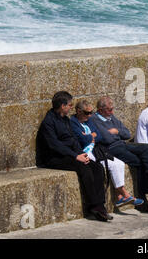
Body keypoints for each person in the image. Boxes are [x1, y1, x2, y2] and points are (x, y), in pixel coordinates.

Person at [36, 91, 111, 222]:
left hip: (71, 154)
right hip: (55, 158)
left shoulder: (66, 120)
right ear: (62, 106)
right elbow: (54, 145)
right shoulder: (48, 122)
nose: (71, 107)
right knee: (84, 168)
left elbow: (73, 140)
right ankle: (94, 205)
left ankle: (100, 205)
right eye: (69, 105)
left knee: (97, 167)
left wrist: (80, 153)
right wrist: (75, 156)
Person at [90, 96, 148, 213]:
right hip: (110, 148)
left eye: (112, 109)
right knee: (141, 162)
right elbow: (106, 138)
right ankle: (144, 197)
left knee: (146, 148)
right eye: (109, 110)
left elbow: (127, 133)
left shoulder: (111, 117)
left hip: (121, 144)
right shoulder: (94, 119)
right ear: (100, 110)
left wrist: (116, 131)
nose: (112, 112)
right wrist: (116, 134)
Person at [70, 100, 144, 208]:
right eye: (87, 113)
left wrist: (89, 136)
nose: (90, 115)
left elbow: (99, 135)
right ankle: (125, 194)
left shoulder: (89, 120)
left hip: (96, 150)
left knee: (118, 163)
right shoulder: (73, 122)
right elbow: (81, 139)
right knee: (110, 165)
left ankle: (120, 198)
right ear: (79, 111)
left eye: (91, 112)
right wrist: (92, 136)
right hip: (85, 151)